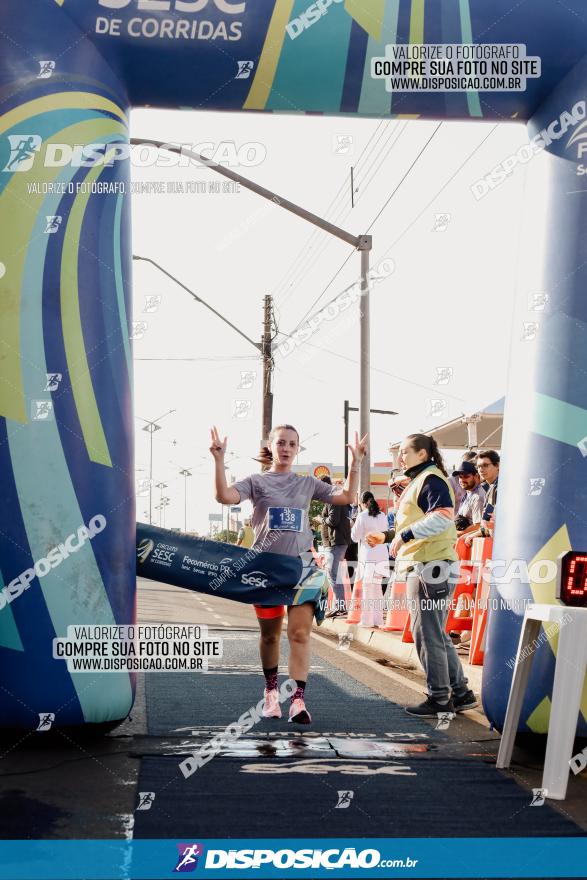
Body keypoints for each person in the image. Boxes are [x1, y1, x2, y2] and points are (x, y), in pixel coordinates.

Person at [210, 423, 367, 725]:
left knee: (299, 634)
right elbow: (224, 497)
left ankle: (297, 701)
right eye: (281, 442)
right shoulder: (256, 481)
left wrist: (356, 463)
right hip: (266, 569)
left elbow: (346, 496)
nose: (286, 448)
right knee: (270, 638)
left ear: (297, 449)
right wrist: (219, 460)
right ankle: (271, 693)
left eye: (292, 444)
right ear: (271, 445)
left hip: (303, 567)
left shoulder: (307, 483)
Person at [366, 433, 477, 716]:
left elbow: (441, 517)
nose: (400, 457)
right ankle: (461, 693)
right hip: (432, 564)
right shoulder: (422, 480)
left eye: (405, 451)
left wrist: (403, 535)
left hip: (430, 565)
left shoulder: (431, 479)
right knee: (434, 633)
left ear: (423, 454)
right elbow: (421, 521)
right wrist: (389, 536)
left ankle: (440, 698)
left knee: (427, 634)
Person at [351, 491, 389, 627]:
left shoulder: (362, 515)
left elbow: (354, 537)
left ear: (362, 503)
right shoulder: (383, 515)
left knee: (368, 588)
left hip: (369, 555)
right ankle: (379, 620)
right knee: (377, 589)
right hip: (382, 554)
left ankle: (367, 620)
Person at [319, 477, 351, 618]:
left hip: (335, 542)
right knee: (332, 574)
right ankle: (340, 606)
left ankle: (341, 607)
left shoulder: (333, 498)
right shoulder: (332, 497)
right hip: (334, 542)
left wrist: (321, 520)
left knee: (332, 574)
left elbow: (333, 520)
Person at [464, 450, 500, 546]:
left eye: (485, 465)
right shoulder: (490, 487)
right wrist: (473, 535)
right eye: (479, 466)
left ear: (497, 465)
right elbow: (487, 523)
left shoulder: (502, 486)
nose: (481, 469)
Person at [452, 461, 486, 535]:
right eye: (460, 477)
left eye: (466, 476)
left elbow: (478, 526)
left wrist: (457, 534)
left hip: (470, 542)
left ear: (476, 476)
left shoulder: (478, 497)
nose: (462, 480)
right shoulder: (469, 492)